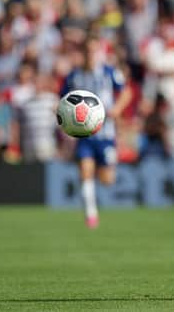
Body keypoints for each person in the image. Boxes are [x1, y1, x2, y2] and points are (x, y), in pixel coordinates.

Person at [60, 35, 131, 229]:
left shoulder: (109, 72)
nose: (91, 54)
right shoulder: (74, 76)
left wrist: (117, 108)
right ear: (82, 53)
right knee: (85, 171)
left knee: (107, 179)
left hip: (106, 134)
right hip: (84, 134)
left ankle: (99, 180)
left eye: (94, 50)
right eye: (87, 51)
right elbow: (62, 100)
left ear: (100, 52)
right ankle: (91, 215)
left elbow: (126, 92)